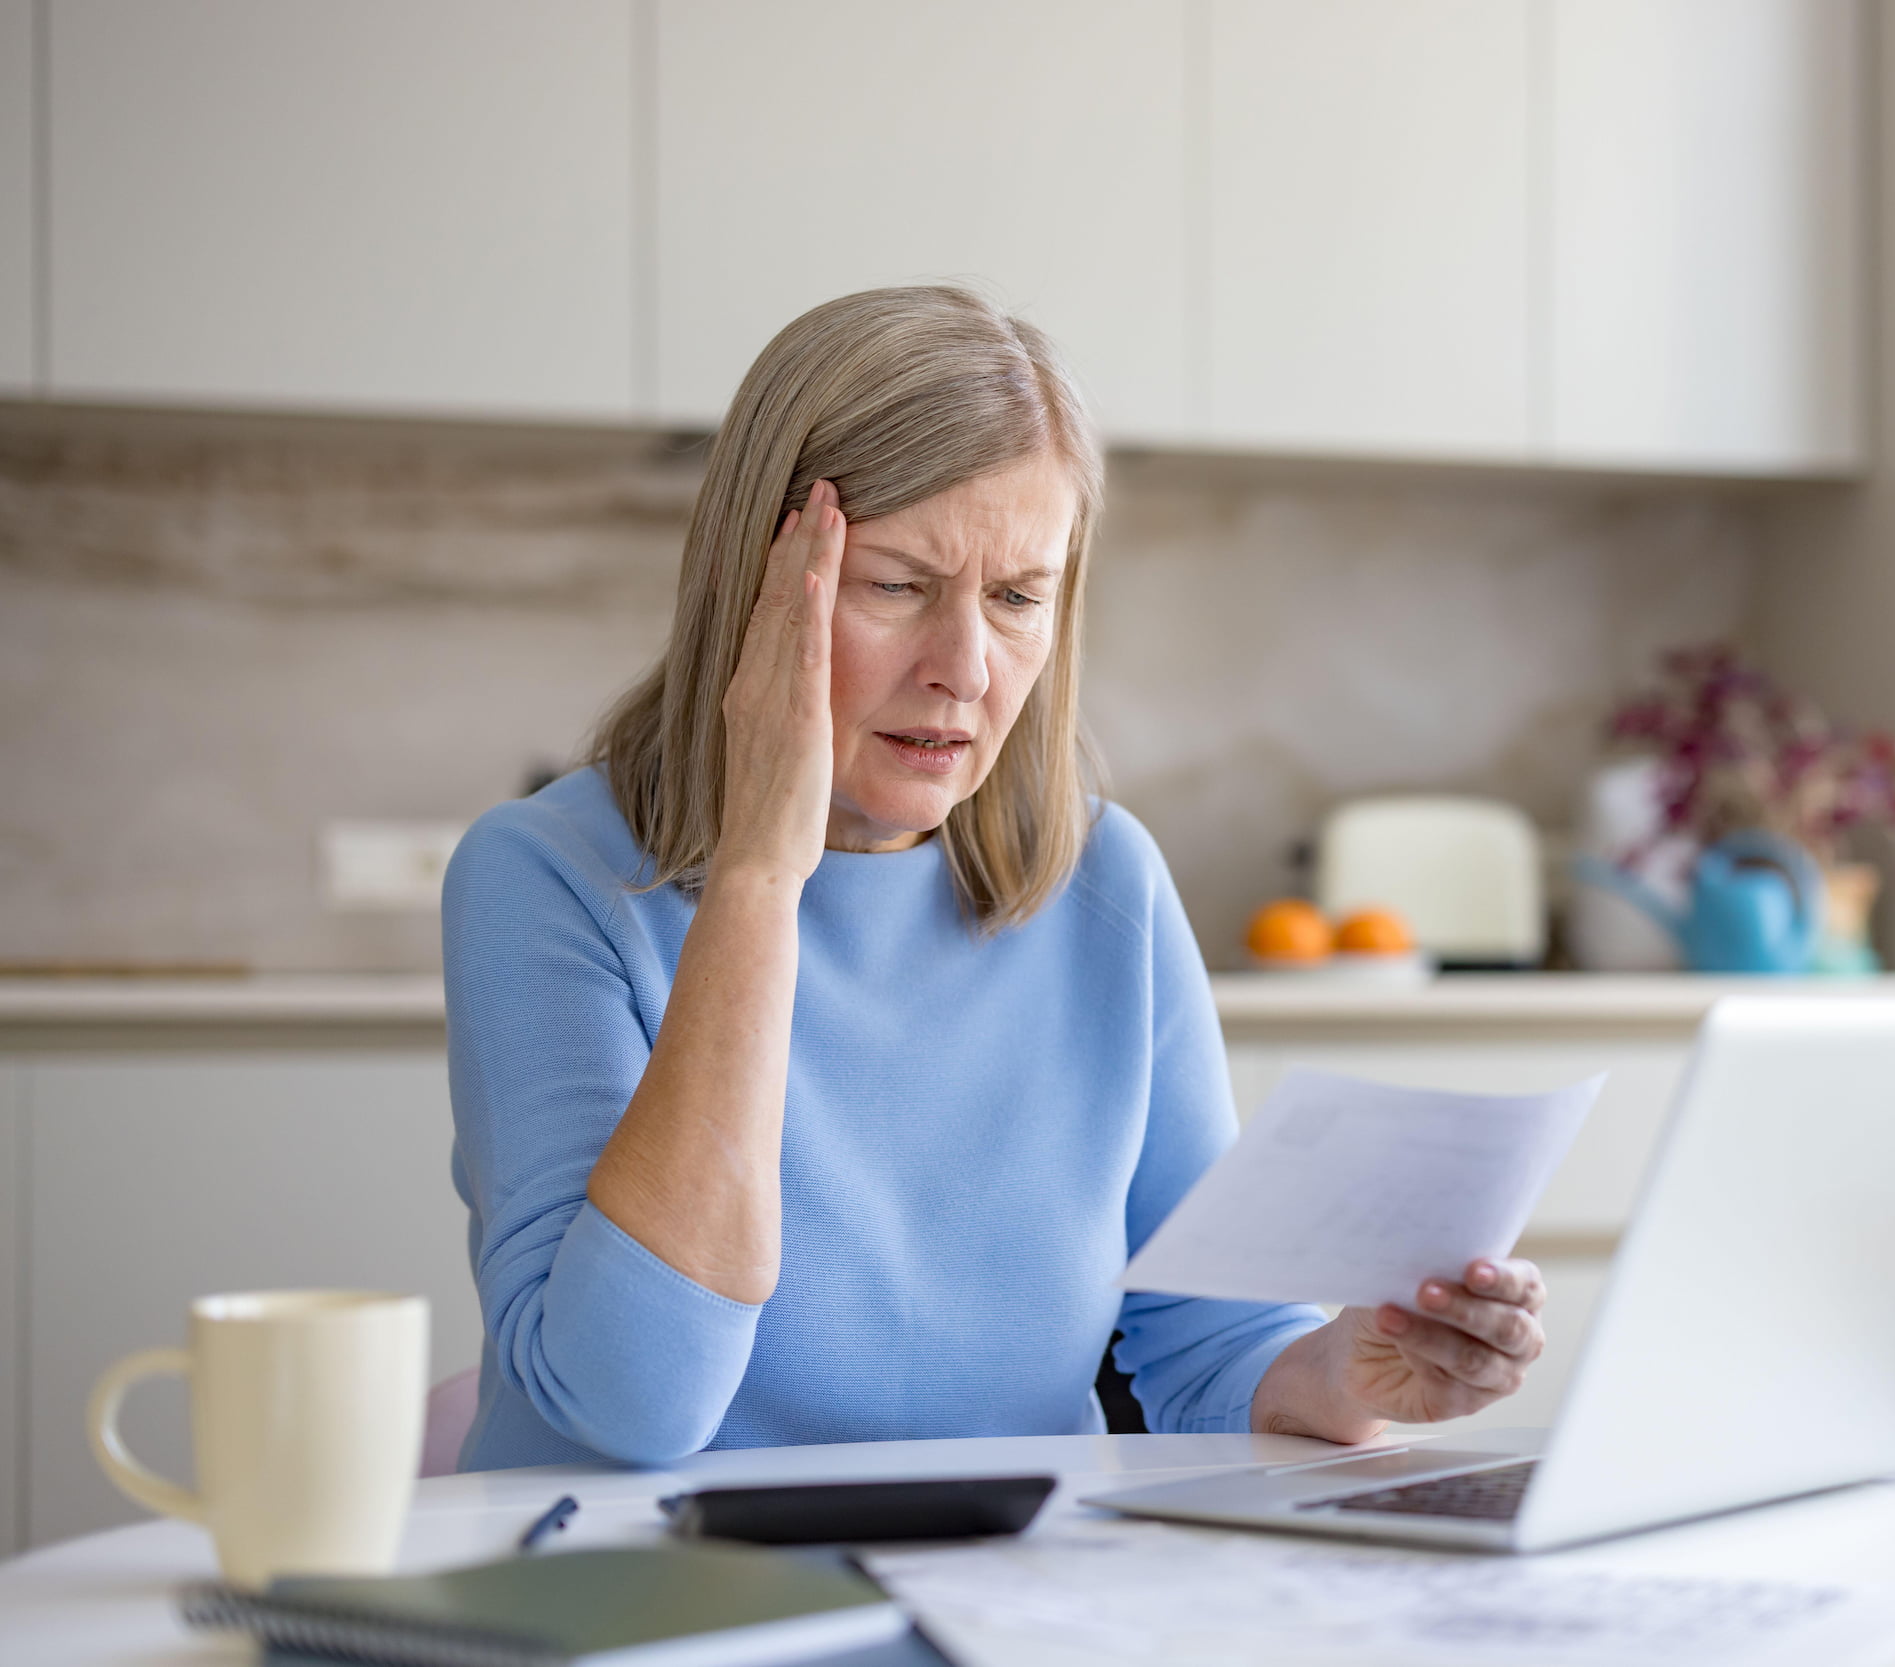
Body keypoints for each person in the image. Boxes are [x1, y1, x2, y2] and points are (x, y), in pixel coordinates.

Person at [442, 287, 1546, 1469]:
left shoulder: (1105, 885)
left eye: (1019, 597)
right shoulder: (545, 878)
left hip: (1003, 1592)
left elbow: (1205, 1357)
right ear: (753, 586)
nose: (964, 668)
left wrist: (1351, 1368)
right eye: (897, 585)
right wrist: (761, 875)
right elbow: (633, 1403)